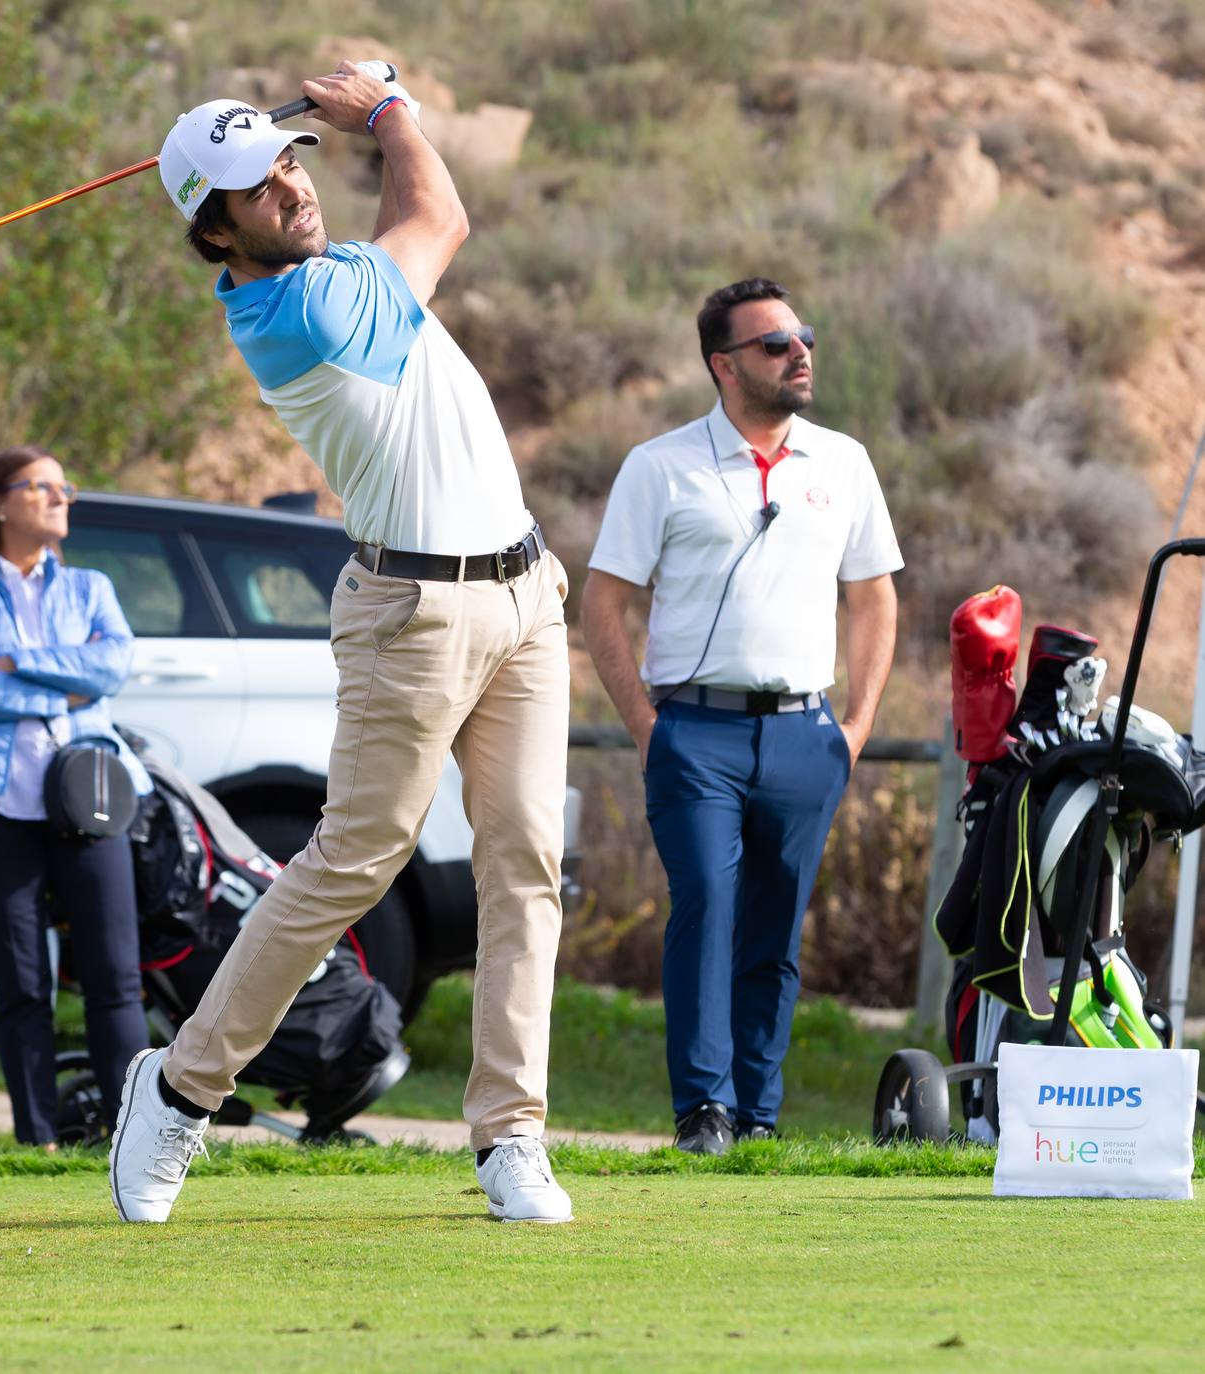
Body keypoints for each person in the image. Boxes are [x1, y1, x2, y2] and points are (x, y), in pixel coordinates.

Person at [109, 62, 573, 1224]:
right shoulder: (304, 311)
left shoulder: (337, 273)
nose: (290, 187)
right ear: (216, 231)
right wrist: (390, 110)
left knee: (525, 866)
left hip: (525, 595)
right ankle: (179, 1092)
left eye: (288, 161)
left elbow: (413, 222)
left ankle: (510, 1134)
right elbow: (440, 216)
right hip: (411, 616)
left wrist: (372, 124)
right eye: (256, 186)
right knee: (353, 862)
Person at [580, 279, 901, 1153]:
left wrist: (855, 728)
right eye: (774, 344)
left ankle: (757, 1115)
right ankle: (704, 1111)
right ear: (723, 365)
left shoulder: (843, 462)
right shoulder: (660, 466)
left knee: (773, 931)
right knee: (705, 908)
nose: (799, 353)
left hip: (806, 734)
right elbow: (602, 601)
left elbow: (873, 597)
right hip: (695, 735)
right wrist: (646, 726)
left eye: (803, 337)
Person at [0, 445, 152, 1149]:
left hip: (91, 799)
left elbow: (111, 666)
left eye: (64, 487)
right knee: (22, 982)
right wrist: (63, 687)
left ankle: (134, 1136)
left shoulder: (90, 587)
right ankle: (39, 1138)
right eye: (40, 486)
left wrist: (17, 662)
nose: (60, 498)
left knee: (115, 977)